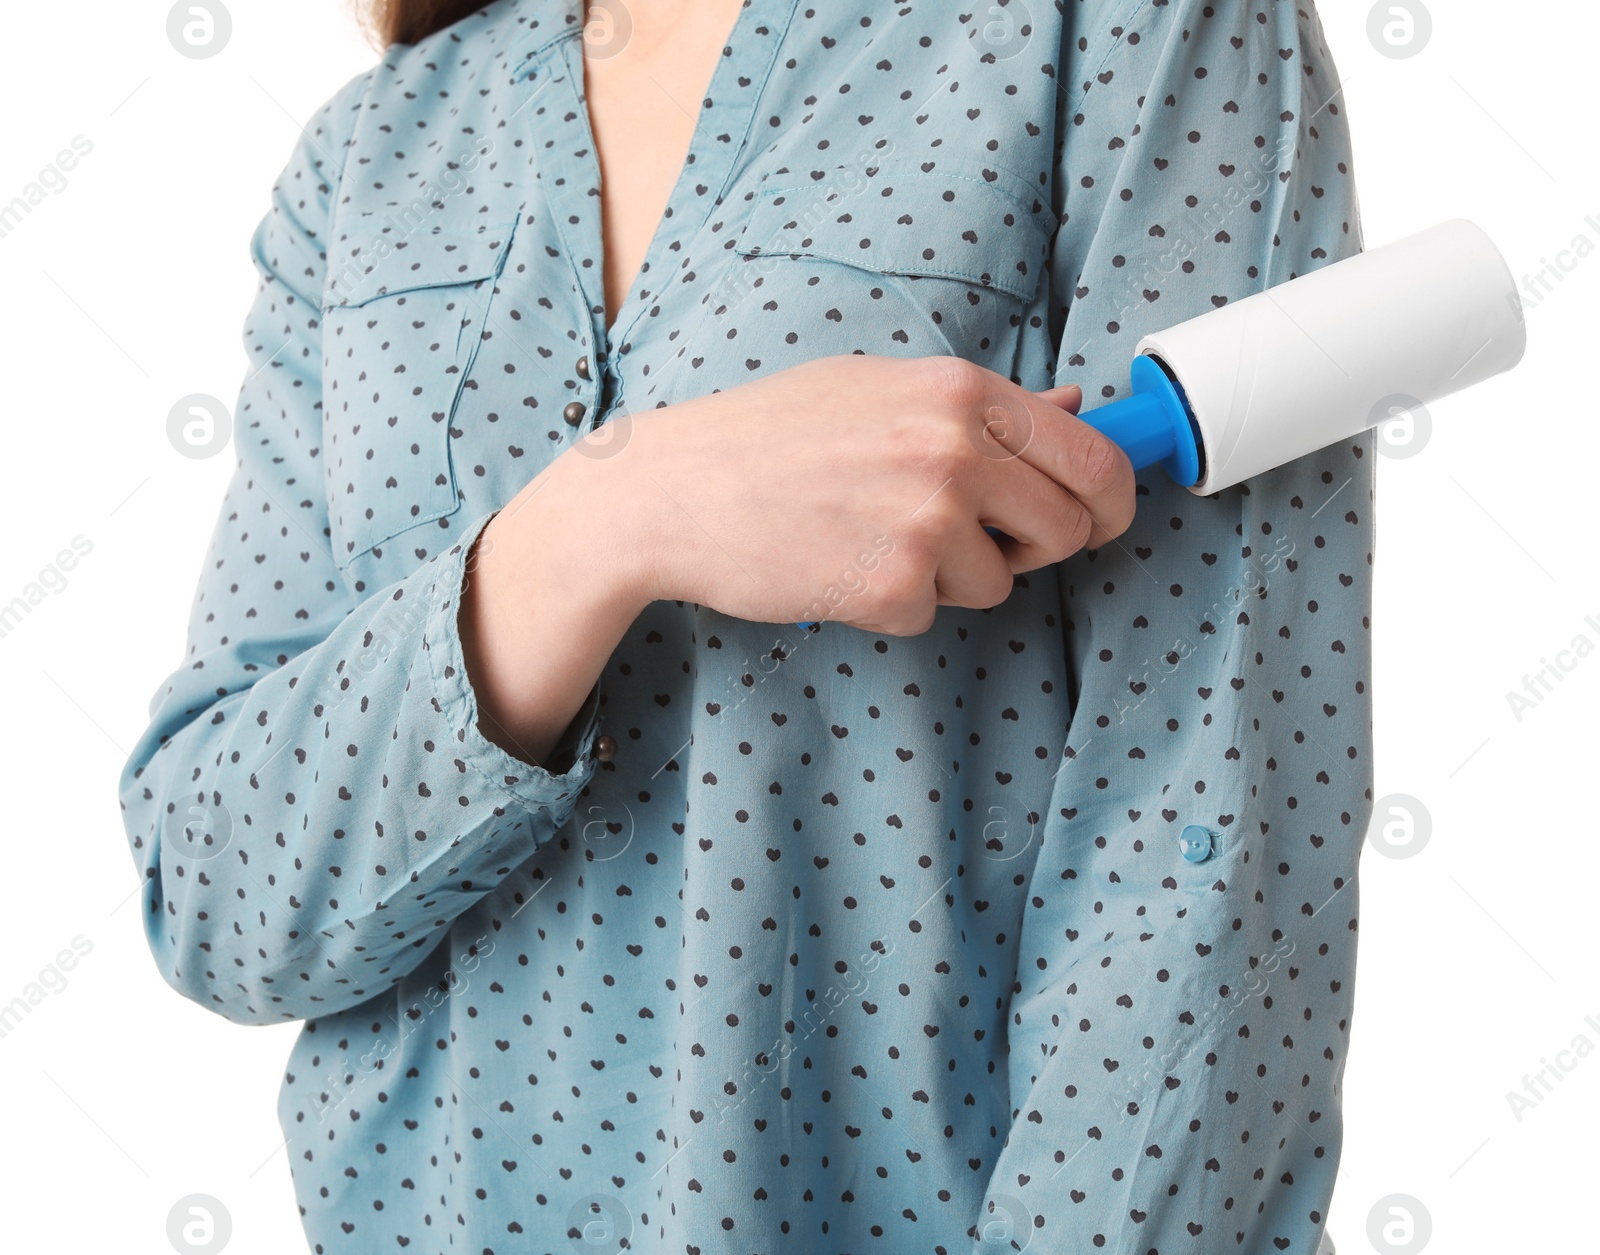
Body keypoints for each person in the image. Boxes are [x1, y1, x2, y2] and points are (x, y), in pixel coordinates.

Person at [118, 0, 1371, 1250]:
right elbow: (217, 889)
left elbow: (1212, 843)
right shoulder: (373, 154)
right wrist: (613, 513)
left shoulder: (1124, 25)